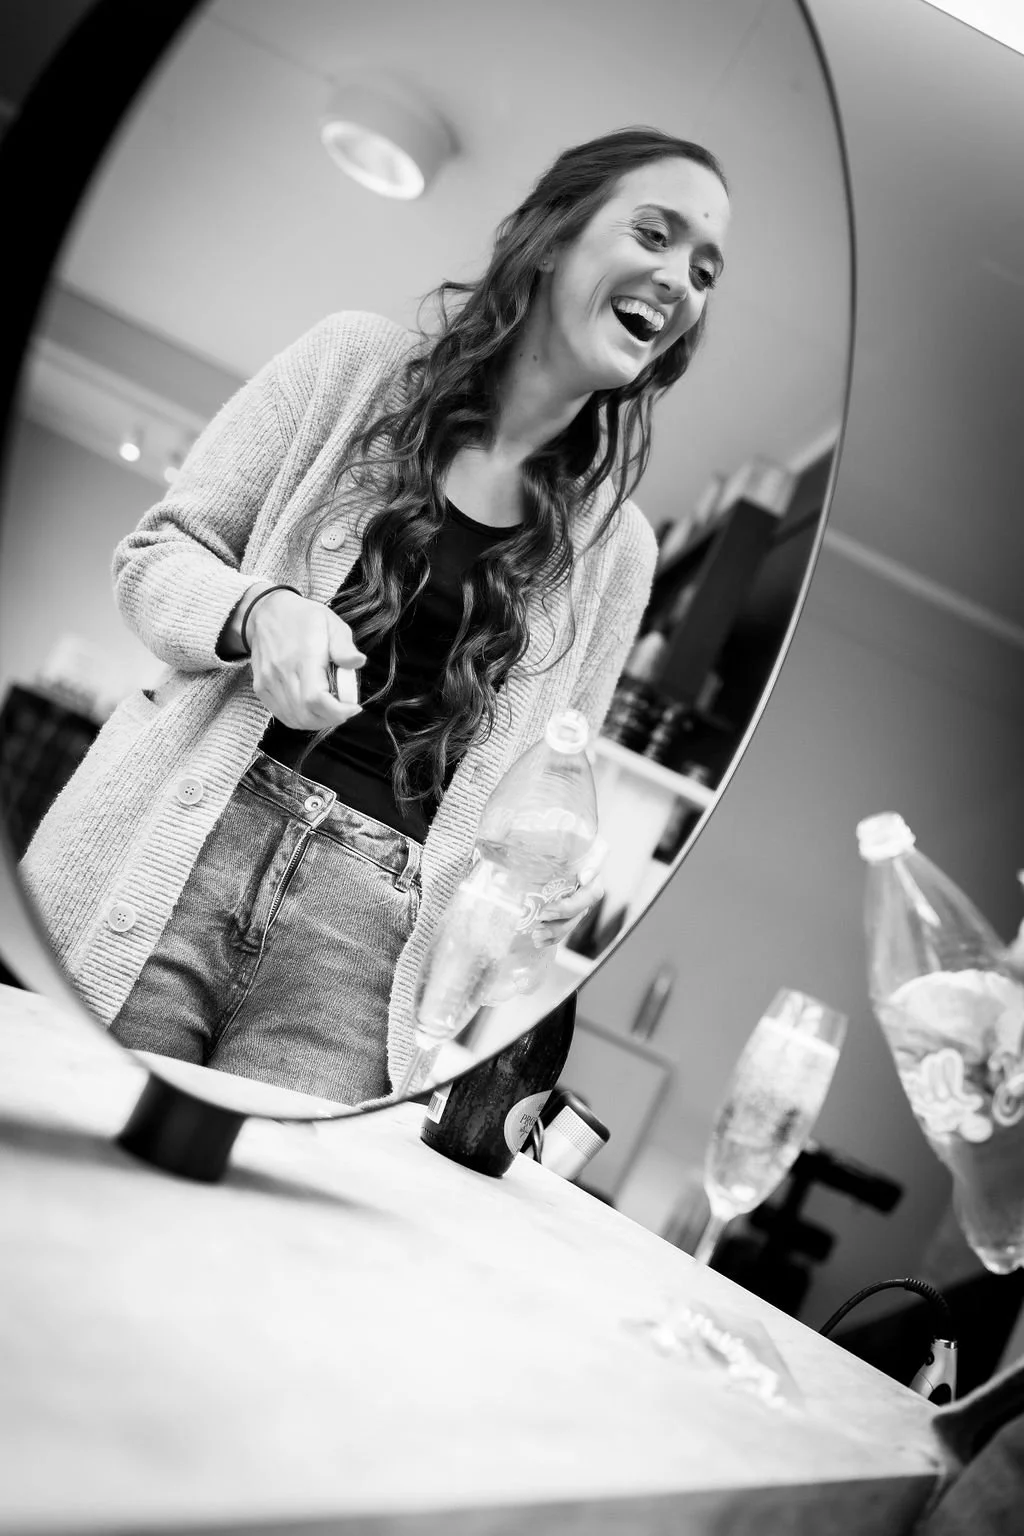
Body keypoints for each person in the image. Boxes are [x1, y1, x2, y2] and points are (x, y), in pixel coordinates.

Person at [21, 126, 731, 1106]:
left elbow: (547, 776)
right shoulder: (350, 364)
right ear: (554, 236)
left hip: (370, 942)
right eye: (654, 234)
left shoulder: (620, 552)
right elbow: (156, 558)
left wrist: (542, 876)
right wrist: (259, 610)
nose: (679, 279)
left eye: (704, 271)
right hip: (184, 843)